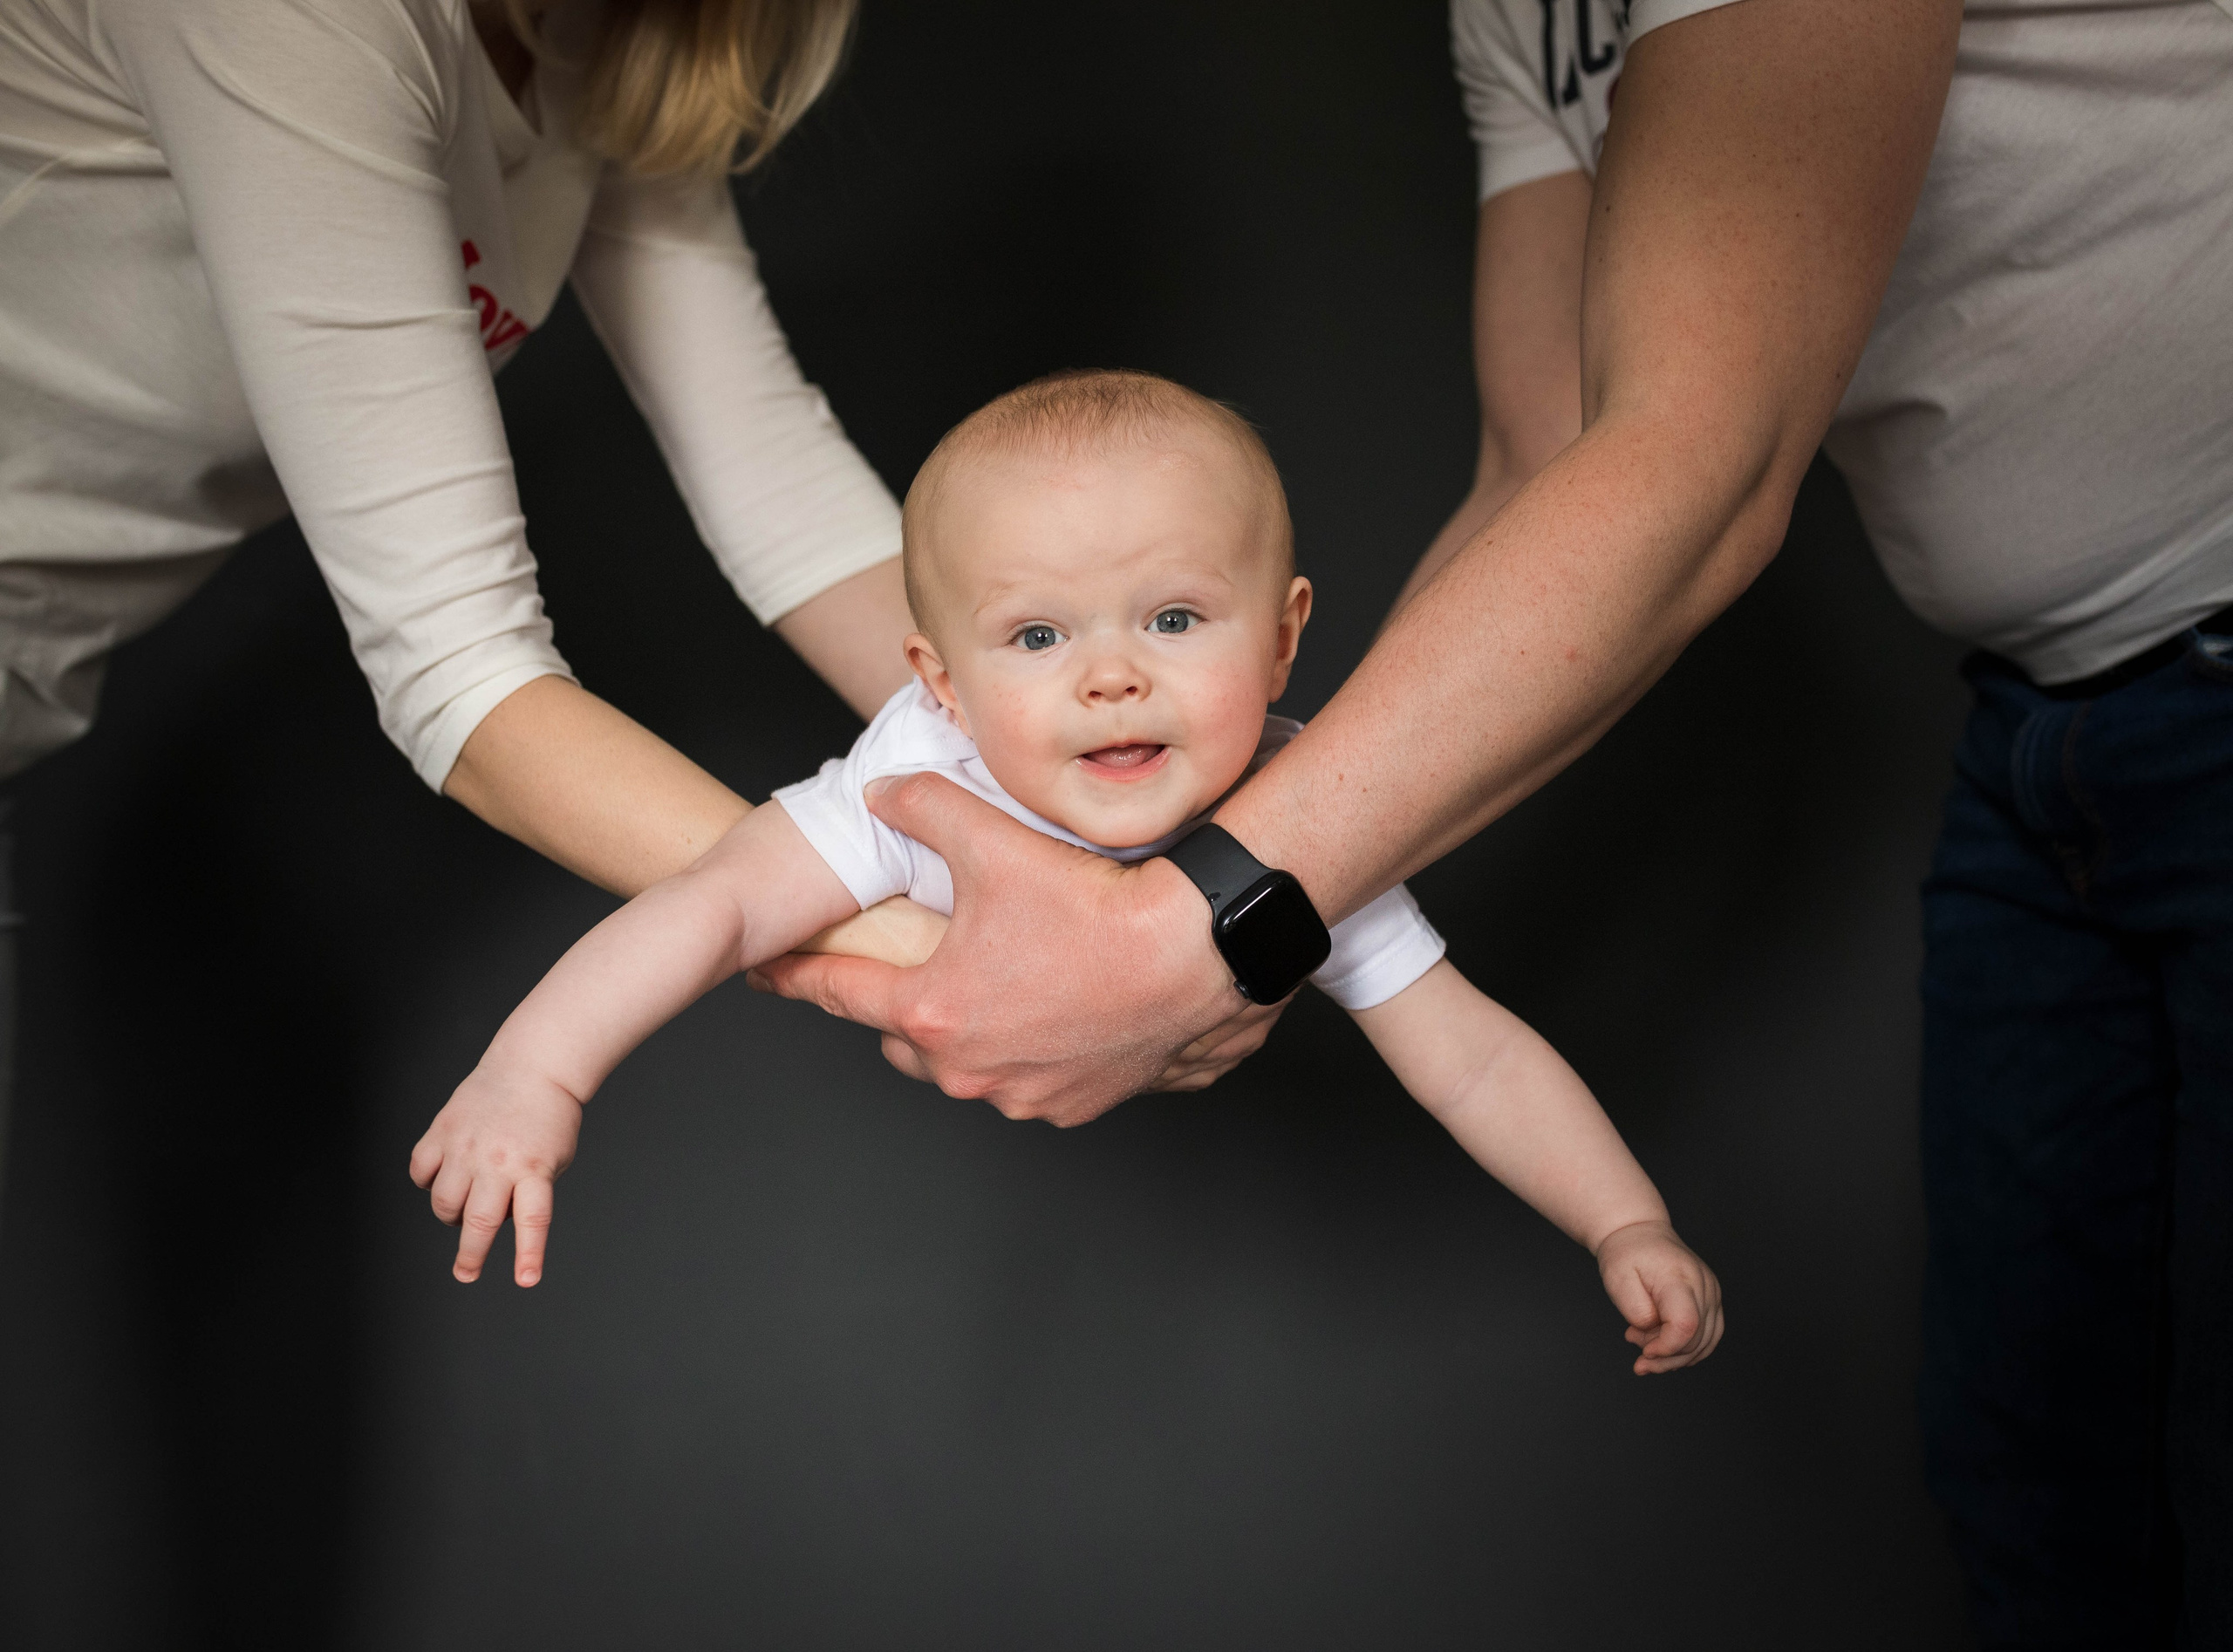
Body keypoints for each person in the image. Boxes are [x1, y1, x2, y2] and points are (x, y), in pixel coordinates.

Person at [751, 0, 2233, 1642]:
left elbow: (1700, 461)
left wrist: (1213, 912)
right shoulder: (1515, 15)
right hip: (2054, 731)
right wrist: (1237, 893)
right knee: (2041, 1476)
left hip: (2210, 696)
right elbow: (1550, 467)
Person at [409, 370, 1726, 1376]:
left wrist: (1625, 1222)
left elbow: (1474, 1052)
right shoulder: (918, 774)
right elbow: (706, 908)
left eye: (1172, 618)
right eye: (1037, 634)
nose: (1112, 673)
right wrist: (539, 1068)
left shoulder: (1301, 808)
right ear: (941, 680)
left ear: (1282, 640)